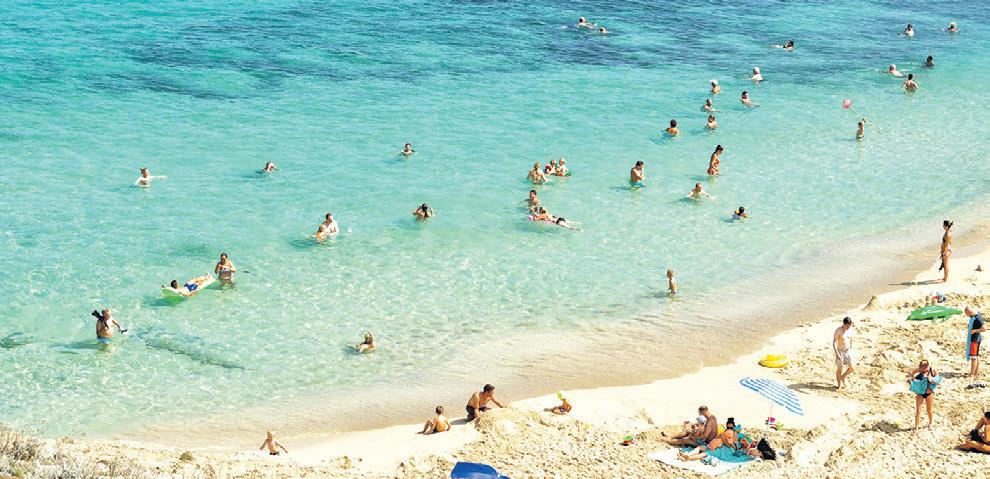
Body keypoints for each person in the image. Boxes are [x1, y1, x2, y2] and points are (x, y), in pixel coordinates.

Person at [908, 359, 941, 435]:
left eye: (925, 365)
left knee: (929, 410)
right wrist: (914, 379)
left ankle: (931, 423)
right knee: (918, 411)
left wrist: (931, 379)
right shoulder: (920, 370)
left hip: (929, 393)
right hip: (920, 393)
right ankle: (916, 428)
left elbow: (938, 379)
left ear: (928, 365)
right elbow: (911, 373)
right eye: (922, 365)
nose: (923, 367)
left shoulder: (933, 371)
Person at [833, 317, 855, 389]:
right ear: (843, 324)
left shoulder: (851, 330)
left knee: (852, 368)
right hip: (840, 351)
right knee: (840, 368)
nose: (848, 328)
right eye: (847, 326)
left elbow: (850, 340)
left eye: (849, 326)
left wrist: (851, 350)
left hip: (848, 351)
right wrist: (837, 353)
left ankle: (843, 377)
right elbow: (834, 342)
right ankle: (839, 385)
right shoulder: (838, 330)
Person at [966, 307, 986, 379]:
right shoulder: (974, 315)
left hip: (974, 340)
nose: (967, 315)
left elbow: (984, 328)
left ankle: (972, 374)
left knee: (973, 358)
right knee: (976, 356)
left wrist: (974, 330)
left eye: (967, 314)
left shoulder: (977, 318)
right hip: (976, 339)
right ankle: (975, 372)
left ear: (969, 312)